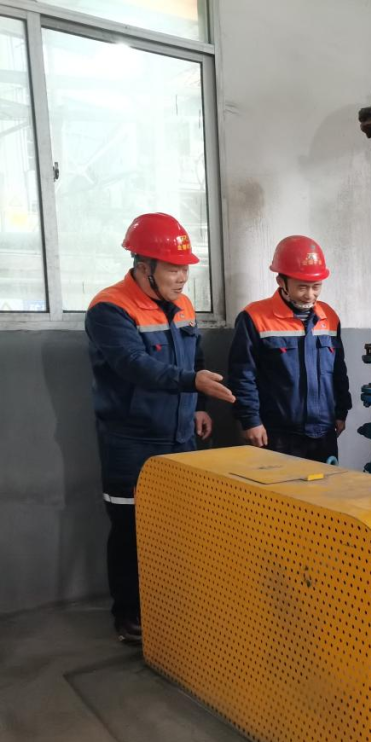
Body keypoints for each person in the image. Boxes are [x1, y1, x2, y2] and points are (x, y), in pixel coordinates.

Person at [86, 213, 235, 644]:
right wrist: (191, 383)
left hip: (181, 436)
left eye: (186, 268)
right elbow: (133, 365)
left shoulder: (183, 306)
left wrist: (199, 406)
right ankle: (129, 615)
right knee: (130, 531)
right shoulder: (109, 308)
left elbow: (196, 359)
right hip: (130, 441)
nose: (182, 278)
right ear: (143, 266)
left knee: (179, 526)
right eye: (173, 269)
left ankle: (171, 607)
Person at [228, 235, 351, 463]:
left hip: (323, 432)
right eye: (302, 287)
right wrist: (250, 420)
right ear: (281, 281)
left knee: (325, 486)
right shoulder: (254, 317)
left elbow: (338, 371)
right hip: (275, 434)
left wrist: (341, 411)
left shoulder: (329, 317)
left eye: (316, 286)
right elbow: (242, 376)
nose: (310, 295)